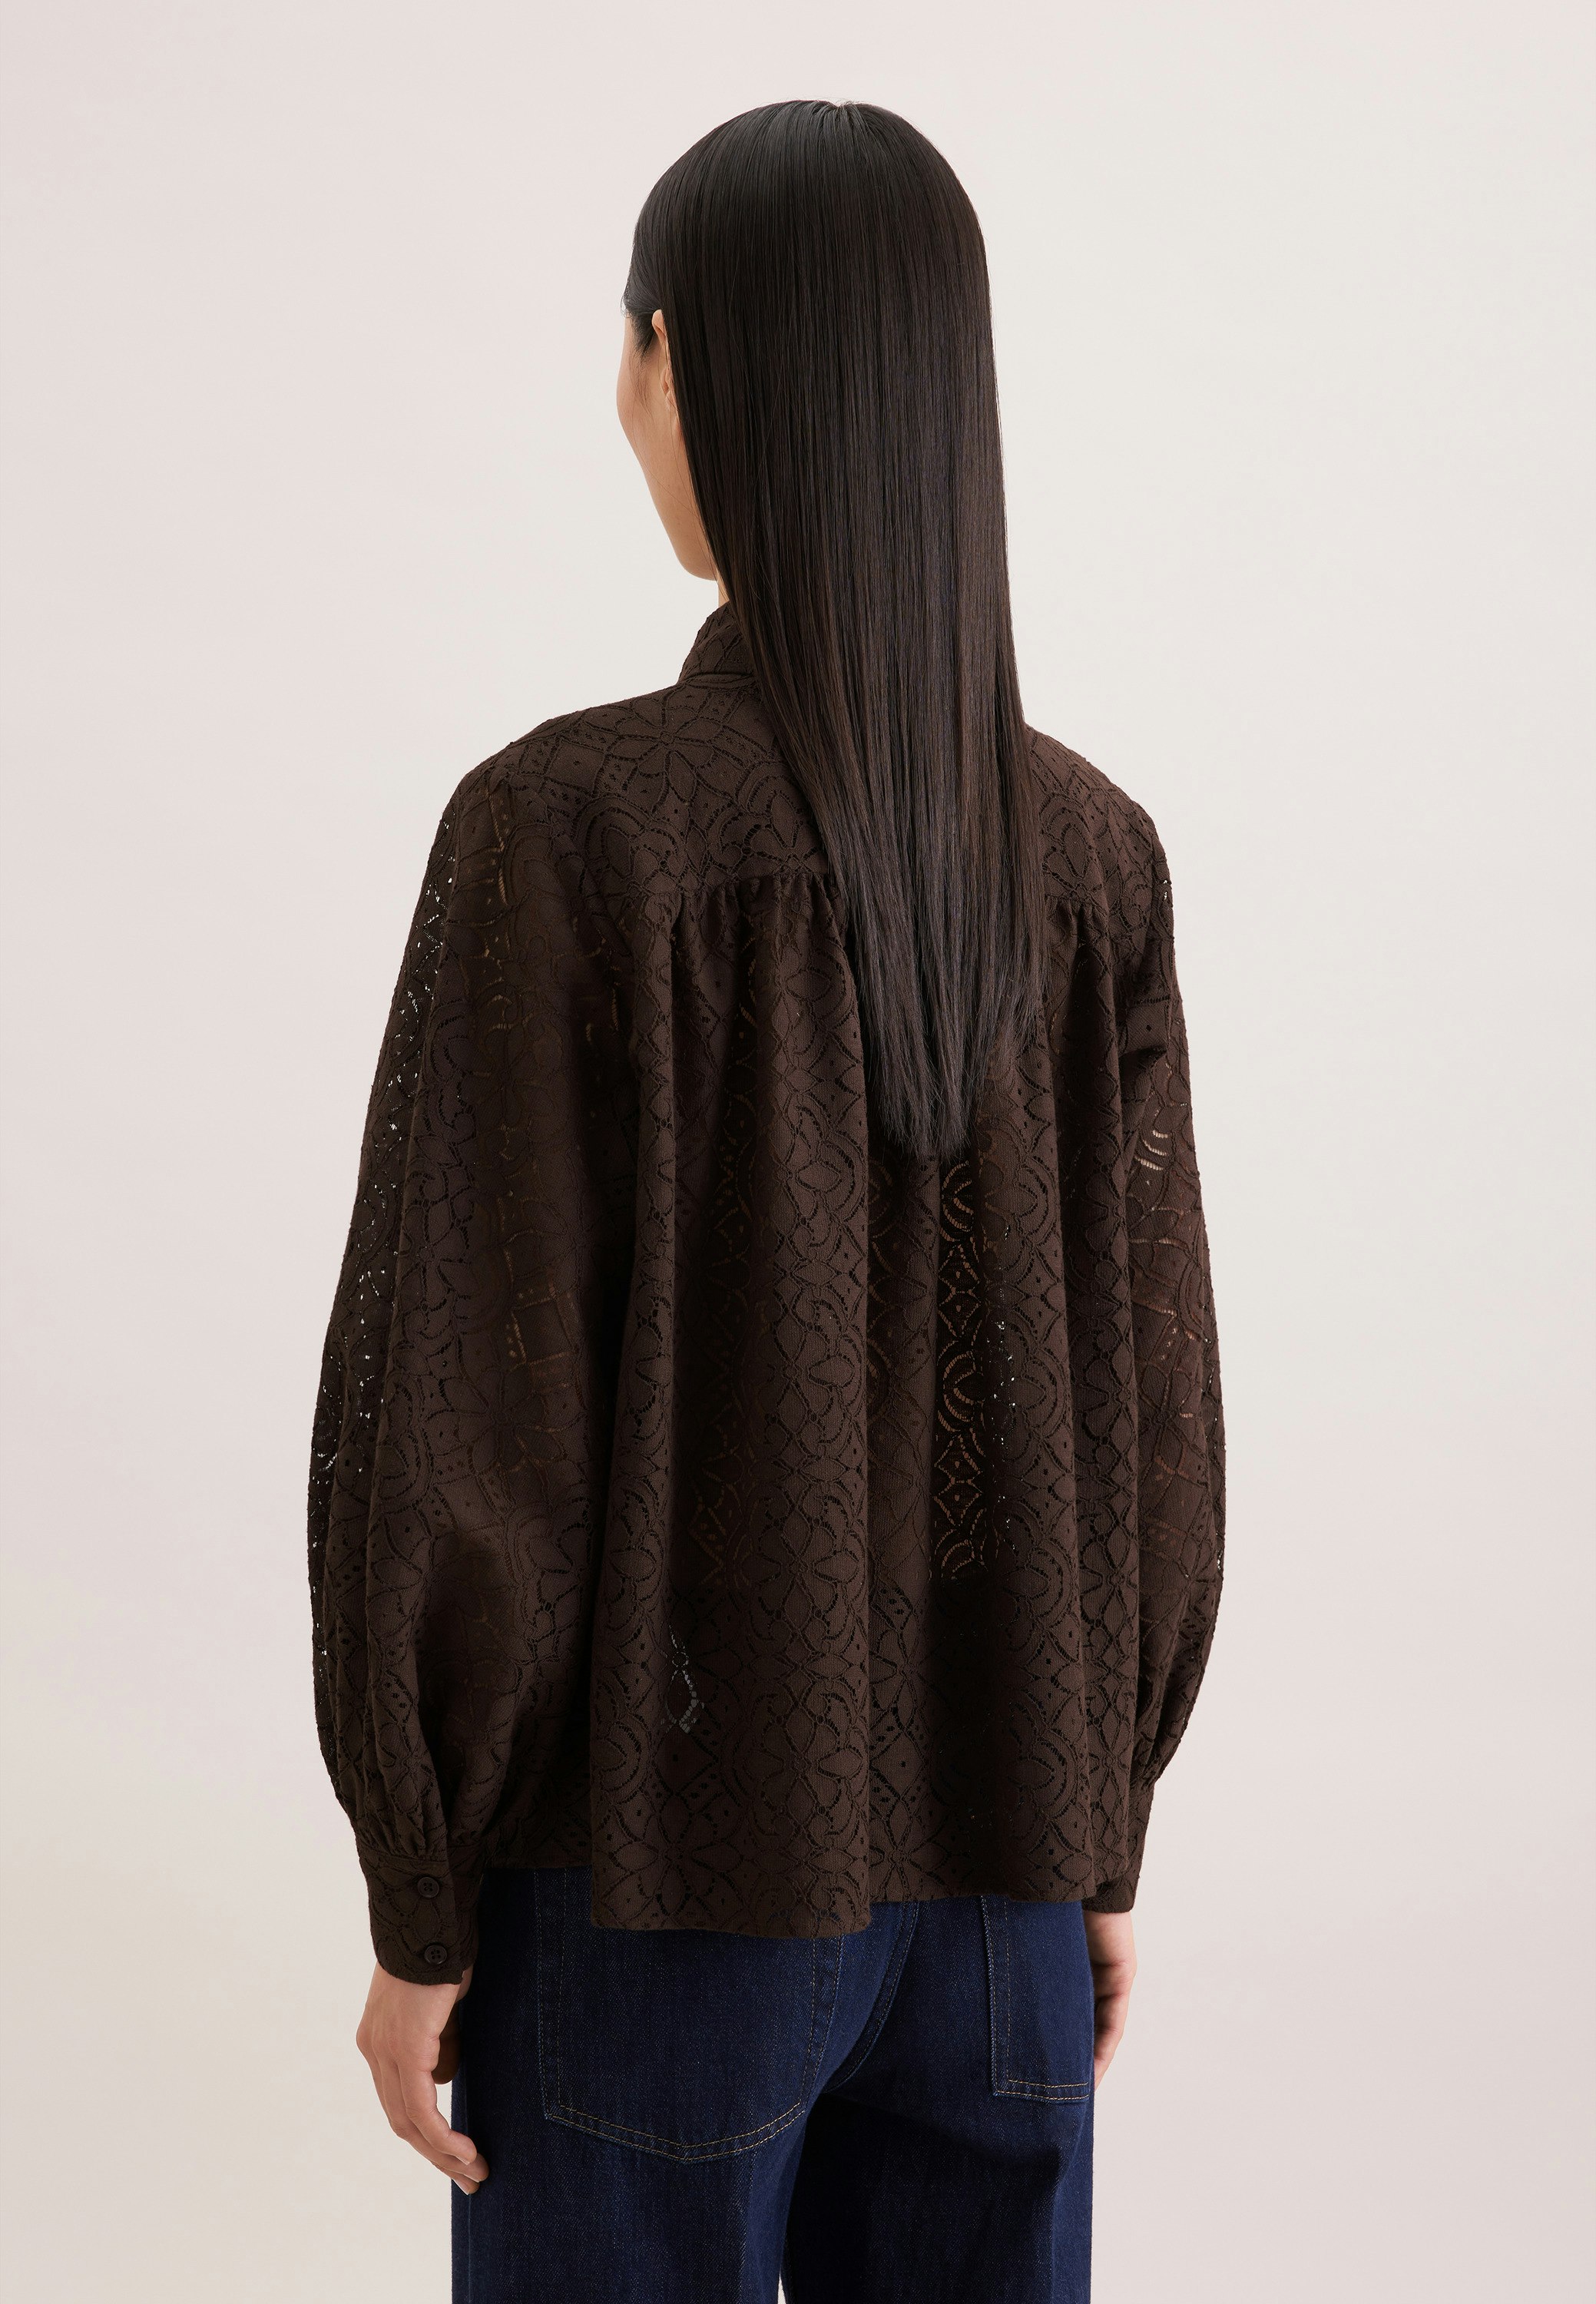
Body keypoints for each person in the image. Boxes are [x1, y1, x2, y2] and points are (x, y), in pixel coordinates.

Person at [310, 98, 1224, 2304]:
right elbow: (1151, 1415)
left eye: (626, 352)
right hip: (1005, 1908)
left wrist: (423, 1888)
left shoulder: (569, 830)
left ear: (679, 360)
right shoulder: (1087, 860)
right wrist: (1092, 1825)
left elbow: (468, 1425)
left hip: (651, 1904)